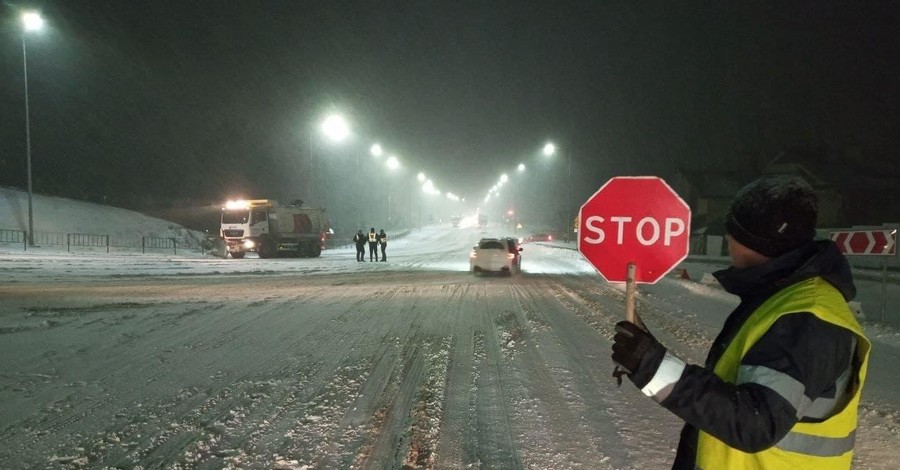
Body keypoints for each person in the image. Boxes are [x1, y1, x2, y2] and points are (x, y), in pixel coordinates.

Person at [611, 175, 870, 469]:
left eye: (733, 232)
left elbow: (756, 423)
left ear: (757, 242)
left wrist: (654, 367)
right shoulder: (783, 298)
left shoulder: (808, 317)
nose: (727, 240)